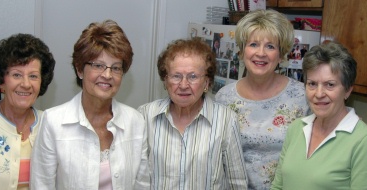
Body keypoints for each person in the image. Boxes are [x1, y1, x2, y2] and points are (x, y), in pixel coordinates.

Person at [30, 19, 149, 189]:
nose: (107, 75)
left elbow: (142, 185)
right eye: (98, 65)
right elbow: (41, 185)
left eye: (116, 68)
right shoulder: (53, 122)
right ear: (79, 69)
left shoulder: (135, 121)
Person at [214, 9, 310, 190]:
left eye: (270, 46)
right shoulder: (224, 97)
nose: (261, 53)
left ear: (281, 55)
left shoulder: (302, 96)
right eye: (253, 44)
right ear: (242, 51)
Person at [137, 37, 248, 189]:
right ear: (165, 80)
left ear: (207, 82)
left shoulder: (226, 120)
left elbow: (237, 183)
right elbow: (136, 178)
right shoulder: (145, 115)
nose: (183, 85)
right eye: (176, 76)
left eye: (193, 76)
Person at [271, 41, 367, 189]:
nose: (319, 94)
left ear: (347, 90)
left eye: (330, 85)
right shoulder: (297, 128)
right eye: (312, 84)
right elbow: (278, 186)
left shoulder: (362, 140)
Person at [0, 33, 56, 190]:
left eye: (33, 76)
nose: (26, 84)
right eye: (17, 75)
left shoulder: (52, 125)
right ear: (2, 81)